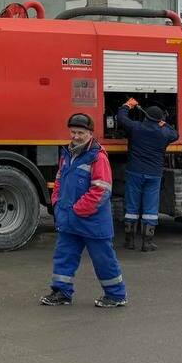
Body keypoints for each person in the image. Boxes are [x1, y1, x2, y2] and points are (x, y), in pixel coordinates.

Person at [41, 113, 127, 309]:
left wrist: (77, 210)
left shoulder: (98, 157)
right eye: (73, 132)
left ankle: (116, 295)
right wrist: (57, 203)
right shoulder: (67, 154)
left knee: (103, 260)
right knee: (64, 257)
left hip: (92, 222)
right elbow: (59, 180)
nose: (76, 136)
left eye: (80, 133)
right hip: (70, 218)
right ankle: (61, 292)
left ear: (90, 133)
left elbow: (101, 190)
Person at [116, 98, 179, 252]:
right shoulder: (164, 133)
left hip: (135, 172)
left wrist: (126, 106)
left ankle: (130, 241)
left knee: (132, 206)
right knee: (150, 207)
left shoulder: (136, 127)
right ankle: (147, 242)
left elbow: (122, 118)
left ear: (145, 116)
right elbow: (175, 134)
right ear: (160, 120)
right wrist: (163, 124)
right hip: (154, 174)